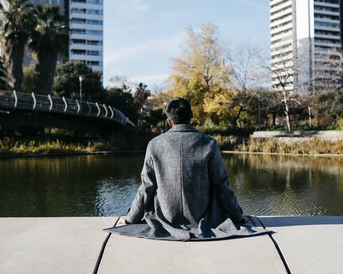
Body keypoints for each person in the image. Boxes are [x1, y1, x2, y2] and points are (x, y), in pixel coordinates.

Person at [106, 97, 267, 240]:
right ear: (192, 117)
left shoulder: (154, 144)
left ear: (169, 121)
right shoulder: (209, 143)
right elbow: (222, 185)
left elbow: (146, 186)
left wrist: (130, 219)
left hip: (166, 216)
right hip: (202, 216)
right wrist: (237, 217)